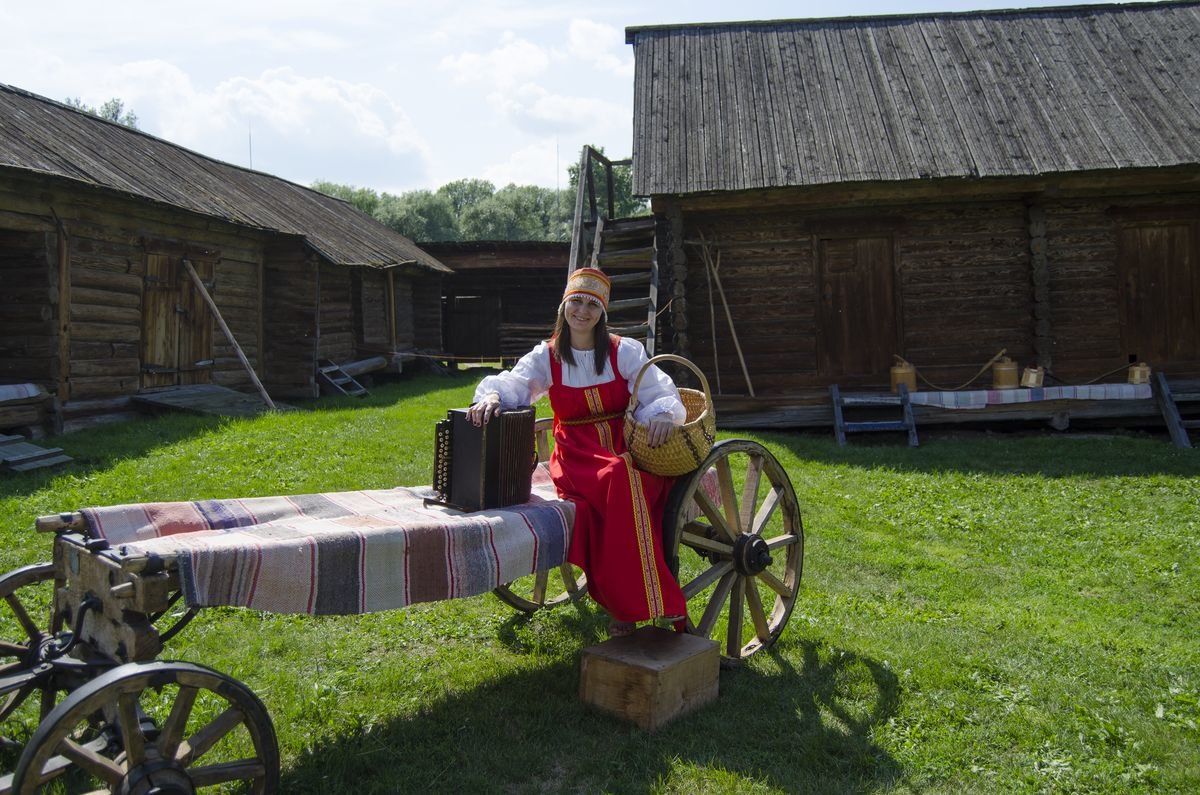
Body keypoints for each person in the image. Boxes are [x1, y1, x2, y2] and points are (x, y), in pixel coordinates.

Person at [466, 267, 688, 637]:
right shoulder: (548, 356)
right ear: (563, 306)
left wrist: (664, 413)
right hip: (576, 453)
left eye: (592, 305)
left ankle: (636, 596)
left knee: (637, 477)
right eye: (576, 302)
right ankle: (632, 605)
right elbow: (515, 384)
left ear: (602, 313)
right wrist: (492, 395)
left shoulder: (623, 351)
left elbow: (659, 390)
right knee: (620, 477)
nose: (582, 311)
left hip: (623, 443)